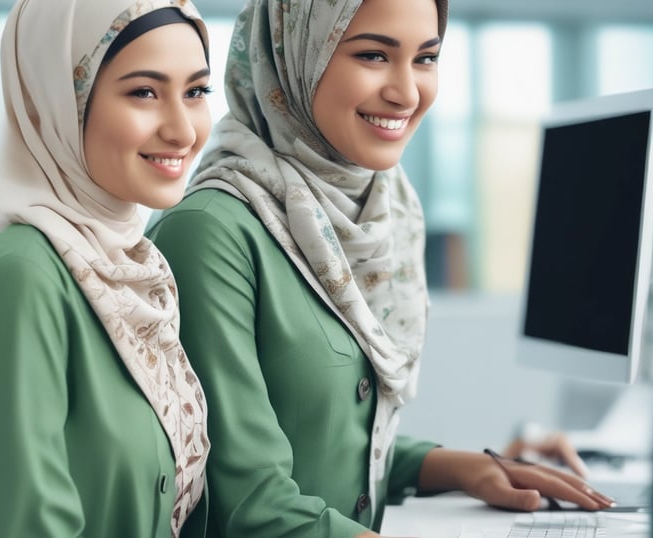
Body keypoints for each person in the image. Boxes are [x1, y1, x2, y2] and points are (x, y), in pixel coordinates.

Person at [146, 0, 614, 536]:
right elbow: (249, 504)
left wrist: (468, 467)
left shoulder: (383, 209)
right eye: (373, 55)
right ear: (294, 53)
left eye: (426, 58)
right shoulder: (211, 232)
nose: (407, 92)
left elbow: (329, 445)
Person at [0, 0, 212, 536]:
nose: (183, 131)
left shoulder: (136, 264)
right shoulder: (21, 279)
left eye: (197, 91)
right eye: (144, 92)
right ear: (58, 102)